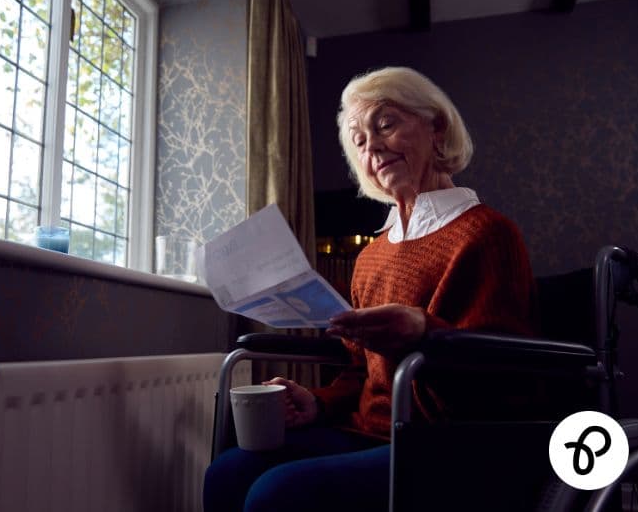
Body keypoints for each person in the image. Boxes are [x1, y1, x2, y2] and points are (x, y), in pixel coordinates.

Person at [203, 66, 538, 512]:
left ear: (436, 127)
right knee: (227, 472)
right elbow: (361, 372)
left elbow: (505, 381)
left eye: (386, 124)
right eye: (359, 141)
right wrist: (317, 404)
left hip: (447, 441)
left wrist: (423, 333)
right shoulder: (371, 257)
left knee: (276, 494)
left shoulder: (487, 234)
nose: (373, 146)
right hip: (366, 430)